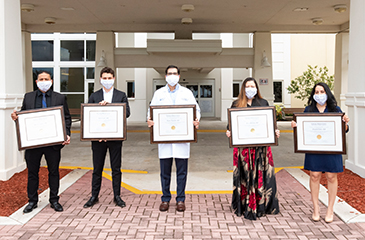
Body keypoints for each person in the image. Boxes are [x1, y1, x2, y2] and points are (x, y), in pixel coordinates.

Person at [11, 71, 71, 213]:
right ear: (36, 82)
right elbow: (24, 116)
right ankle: (32, 201)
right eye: (41, 79)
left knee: (54, 172)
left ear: (51, 81)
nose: (44, 81)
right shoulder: (29, 97)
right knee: (32, 172)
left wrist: (66, 133)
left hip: (53, 144)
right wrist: (16, 117)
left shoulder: (60, 97)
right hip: (33, 144)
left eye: (46, 79)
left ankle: (54, 200)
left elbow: (66, 117)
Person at [291, 82, 349, 223]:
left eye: (322, 91)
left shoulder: (335, 109)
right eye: (316, 92)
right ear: (313, 95)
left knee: (331, 177)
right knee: (314, 175)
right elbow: (303, 130)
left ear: (327, 93)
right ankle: (316, 209)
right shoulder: (308, 110)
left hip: (332, 149)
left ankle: (330, 210)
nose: (319, 95)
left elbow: (344, 130)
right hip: (314, 149)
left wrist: (345, 123)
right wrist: (296, 126)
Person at [147, 65, 200, 212]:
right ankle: (165, 199)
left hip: (182, 139)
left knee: (182, 172)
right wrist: (149, 121)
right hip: (164, 139)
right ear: (165, 77)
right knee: (165, 172)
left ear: (178, 76)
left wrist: (196, 120)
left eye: (175, 73)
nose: (172, 75)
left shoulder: (187, 93)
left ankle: (180, 200)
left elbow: (196, 110)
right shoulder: (159, 93)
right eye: (169, 73)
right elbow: (150, 111)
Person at [226, 77, 280, 220]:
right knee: (244, 175)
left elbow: (270, 124)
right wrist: (229, 132)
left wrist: (275, 132)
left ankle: (262, 203)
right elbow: (230, 126)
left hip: (260, 149)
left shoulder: (263, 103)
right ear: (243, 89)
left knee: (261, 175)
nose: (250, 89)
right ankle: (244, 204)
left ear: (257, 88)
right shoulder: (237, 104)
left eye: (253, 86)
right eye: (247, 86)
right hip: (243, 150)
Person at [83, 67, 130, 209]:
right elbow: (88, 115)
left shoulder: (121, 95)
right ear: (100, 79)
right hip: (98, 140)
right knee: (97, 168)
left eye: (109, 78)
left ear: (114, 79)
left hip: (115, 138)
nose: (107, 80)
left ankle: (117, 196)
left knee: (116, 168)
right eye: (104, 78)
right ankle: (94, 196)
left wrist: (111, 107)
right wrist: (98, 108)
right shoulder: (94, 96)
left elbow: (126, 112)